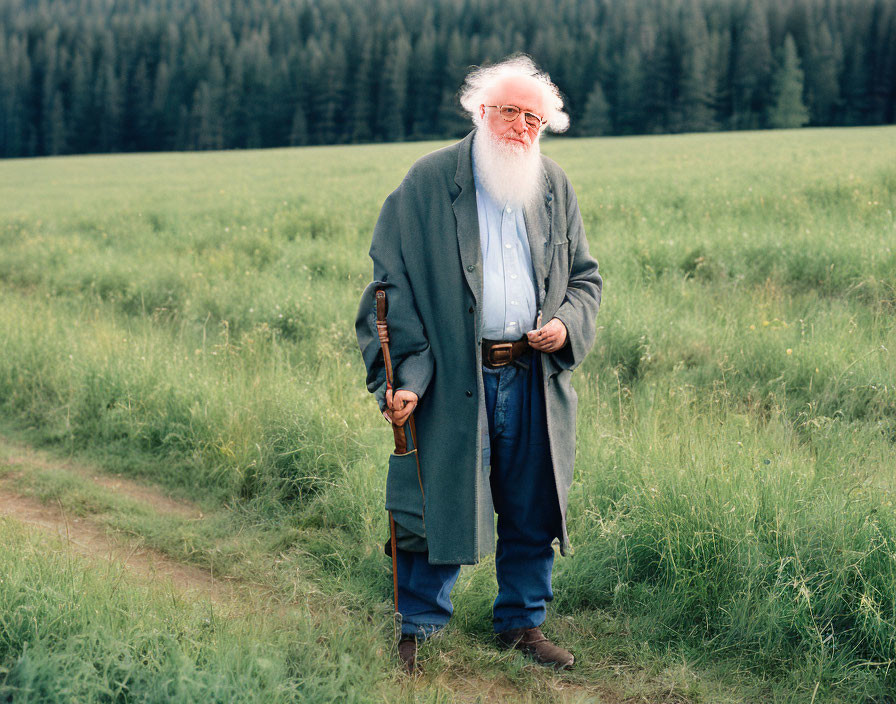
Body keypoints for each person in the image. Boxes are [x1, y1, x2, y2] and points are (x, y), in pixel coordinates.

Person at [356, 54, 602, 673]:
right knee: (434, 498)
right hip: (453, 378)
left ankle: (522, 623)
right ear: (481, 111)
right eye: (509, 112)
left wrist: (563, 325)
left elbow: (584, 281)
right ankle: (419, 624)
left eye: (533, 118)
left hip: (531, 376)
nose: (520, 127)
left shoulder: (554, 185)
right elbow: (391, 289)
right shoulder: (428, 181)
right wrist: (405, 377)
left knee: (531, 503)